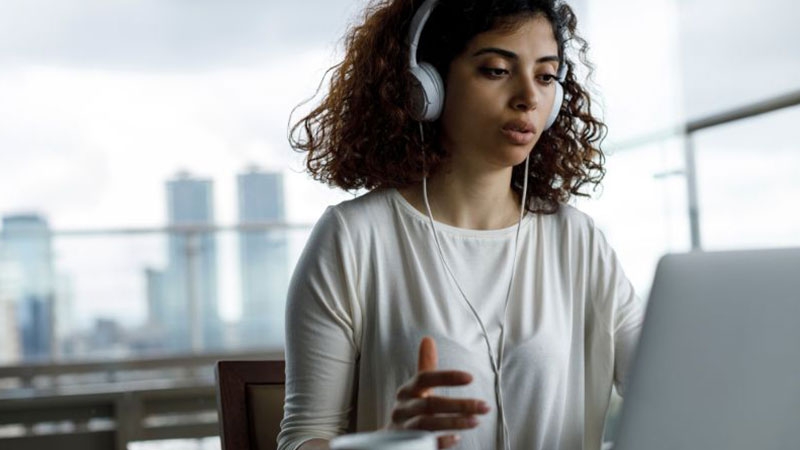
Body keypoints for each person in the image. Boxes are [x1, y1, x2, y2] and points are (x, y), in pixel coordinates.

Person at [278, 0, 645, 449]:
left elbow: (670, 391)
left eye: (546, 76)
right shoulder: (354, 238)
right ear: (425, 87)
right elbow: (302, 439)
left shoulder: (578, 240)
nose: (529, 96)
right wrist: (389, 446)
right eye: (496, 69)